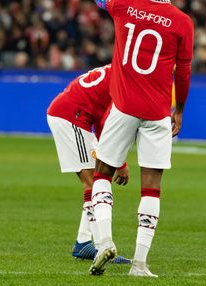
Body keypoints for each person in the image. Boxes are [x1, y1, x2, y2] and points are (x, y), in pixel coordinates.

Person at [59, 0, 194, 277]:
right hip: (158, 113)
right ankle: (140, 264)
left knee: (102, 174)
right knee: (152, 186)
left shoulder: (123, 5)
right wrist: (179, 110)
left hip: (123, 108)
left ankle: (103, 240)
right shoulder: (183, 23)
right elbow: (184, 71)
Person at [47, 64, 131, 264]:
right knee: (95, 183)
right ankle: (103, 247)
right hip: (71, 118)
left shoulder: (116, 70)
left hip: (70, 114)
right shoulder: (123, 81)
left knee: (97, 182)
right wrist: (120, 163)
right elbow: (105, 125)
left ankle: (84, 241)